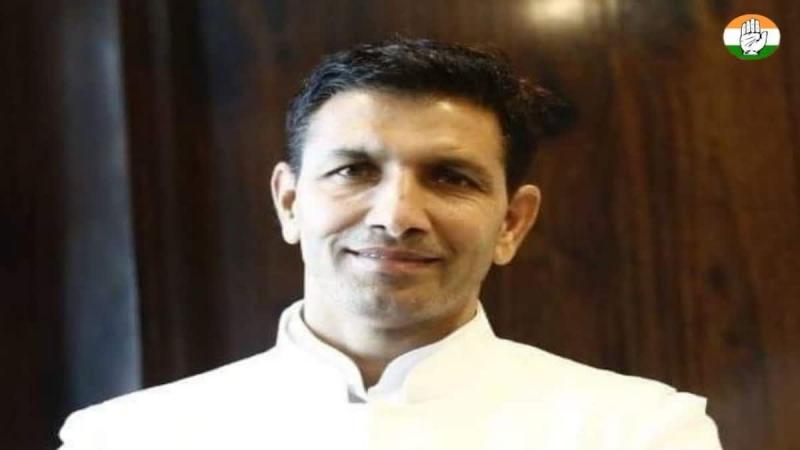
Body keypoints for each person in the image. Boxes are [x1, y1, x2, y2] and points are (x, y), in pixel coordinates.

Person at [58, 38, 722, 450]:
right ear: (289, 201)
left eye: (450, 177)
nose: (398, 215)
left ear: (512, 223)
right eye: (354, 170)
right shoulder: (124, 438)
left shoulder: (639, 431)